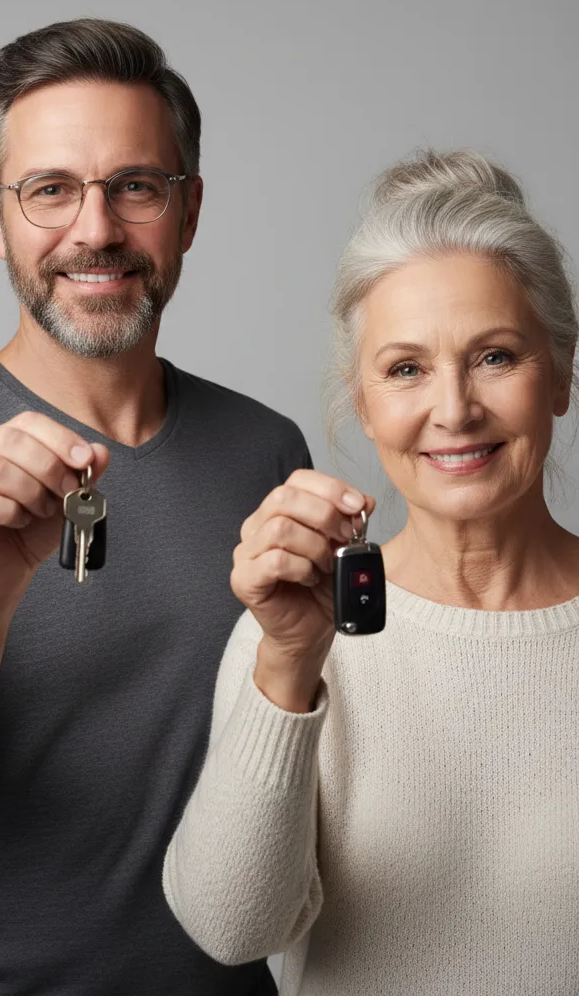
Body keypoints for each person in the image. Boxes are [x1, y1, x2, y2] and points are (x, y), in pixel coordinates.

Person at [0, 18, 309, 995]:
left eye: (135, 186)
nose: (95, 230)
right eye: (50, 189)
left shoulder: (266, 448)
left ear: (188, 210)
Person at [163, 149, 579, 993]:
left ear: (561, 374)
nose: (454, 409)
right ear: (363, 402)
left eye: (496, 356)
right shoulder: (293, 634)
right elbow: (231, 930)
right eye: (406, 370)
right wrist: (288, 663)